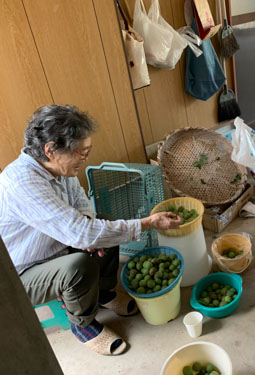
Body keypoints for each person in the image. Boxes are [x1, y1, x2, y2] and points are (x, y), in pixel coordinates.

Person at [0, 105, 181, 355]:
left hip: (56, 245)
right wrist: (147, 223)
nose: (85, 158)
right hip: (22, 272)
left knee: (103, 223)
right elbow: (80, 232)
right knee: (77, 266)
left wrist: (90, 232)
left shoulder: (60, 168)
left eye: (88, 151)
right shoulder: (22, 183)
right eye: (81, 152)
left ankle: (102, 293)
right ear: (50, 149)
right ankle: (82, 325)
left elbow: (83, 207)